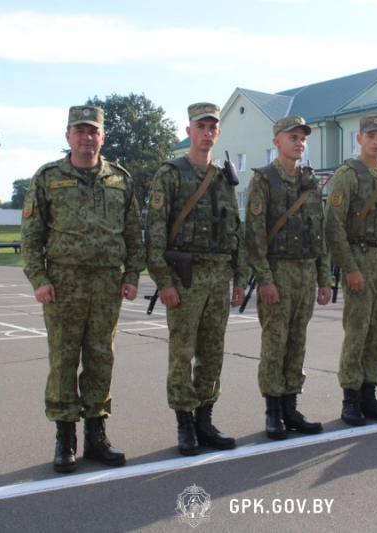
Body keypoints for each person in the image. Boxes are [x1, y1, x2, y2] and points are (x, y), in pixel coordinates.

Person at [21, 105, 144, 473]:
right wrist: (39, 279)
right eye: (80, 131)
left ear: (102, 137)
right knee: (63, 359)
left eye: (93, 131)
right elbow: (31, 235)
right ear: (68, 136)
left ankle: (96, 434)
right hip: (64, 283)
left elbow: (132, 232)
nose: (87, 137)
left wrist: (132, 274)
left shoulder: (120, 179)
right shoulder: (48, 178)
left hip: (107, 282)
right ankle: (65, 438)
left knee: (100, 357)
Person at [145, 102, 247, 456]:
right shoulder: (171, 173)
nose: (207, 132)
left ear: (218, 132)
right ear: (189, 130)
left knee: (212, 351)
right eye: (200, 126)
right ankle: (185, 423)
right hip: (184, 277)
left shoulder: (223, 177)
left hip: (219, 275)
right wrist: (163, 281)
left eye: (212, 127)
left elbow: (235, 229)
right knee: (182, 352)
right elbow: (155, 232)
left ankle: (205, 419)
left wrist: (239, 277)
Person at [245, 115, 332, 440]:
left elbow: (320, 231)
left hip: (306, 272)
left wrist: (324, 278)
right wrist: (264, 279)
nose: (299, 142)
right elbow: (254, 235)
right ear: (277, 141)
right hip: (278, 273)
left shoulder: (310, 181)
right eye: (292, 137)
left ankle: (291, 407)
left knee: (297, 342)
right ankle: (273, 412)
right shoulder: (264, 180)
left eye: (302, 138)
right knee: (275, 344)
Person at [324, 115, 377, 426]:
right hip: (360, 260)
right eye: (370, 135)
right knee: (357, 331)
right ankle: (351, 398)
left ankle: (369, 393)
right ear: (359, 139)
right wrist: (349, 268)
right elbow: (333, 225)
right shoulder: (348, 174)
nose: (376, 141)